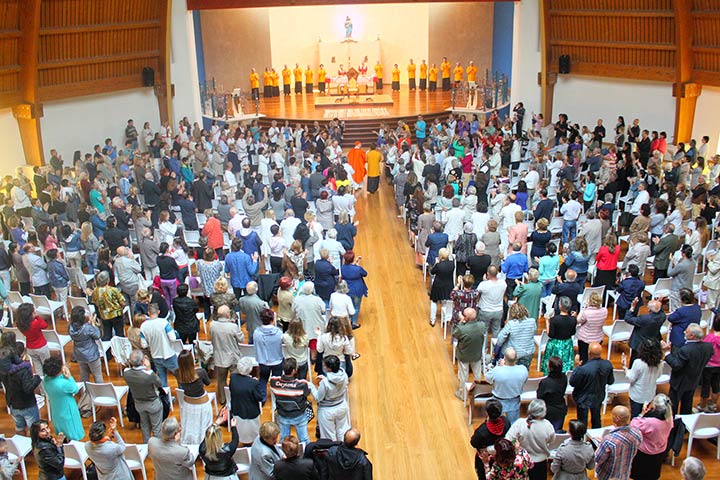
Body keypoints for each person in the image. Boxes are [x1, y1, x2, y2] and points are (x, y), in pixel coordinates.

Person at [665, 323, 713, 414]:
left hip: (679, 382)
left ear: (692, 336)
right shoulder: (708, 347)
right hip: (694, 380)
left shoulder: (685, 350)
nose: (684, 332)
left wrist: (667, 353)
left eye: (686, 332)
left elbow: (676, 365)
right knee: (687, 404)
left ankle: (672, 421)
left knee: (673, 405)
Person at [270, 358, 317, 444]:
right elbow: (307, 394)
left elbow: (274, 378)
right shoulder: (302, 384)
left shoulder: (273, 382)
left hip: (282, 415)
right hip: (299, 416)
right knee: (304, 439)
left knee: (283, 439)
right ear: (294, 370)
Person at [506, 399, 555, 480]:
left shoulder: (520, 423)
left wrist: (517, 447)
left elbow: (508, 439)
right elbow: (552, 440)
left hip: (523, 461)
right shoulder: (547, 425)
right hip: (541, 462)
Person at [629, 394, 673, 480]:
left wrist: (642, 414)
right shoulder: (669, 418)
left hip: (645, 453)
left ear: (654, 406)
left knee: (640, 475)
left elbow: (633, 424)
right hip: (660, 450)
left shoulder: (650, 422)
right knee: (653, 474)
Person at [570, 342, 614, 429]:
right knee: (597, 419)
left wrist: (577, 367)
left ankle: (582, 436)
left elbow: (572, 382)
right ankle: (596, 436)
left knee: (582, 422)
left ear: (589, 352)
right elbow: (610, 381)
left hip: (583, 398)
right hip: (599, 396)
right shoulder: (607, 365)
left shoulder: (583, 369)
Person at [123, 349, 163, 442]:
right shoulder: (149, 374)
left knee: (144, 426)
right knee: (157, 428)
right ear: (142, 361)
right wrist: (149, 369)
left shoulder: (126, 373)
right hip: (153, 403)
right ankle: (157, 447)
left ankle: (146, 446)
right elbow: (159, 384)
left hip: (139, 404)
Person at [594, 406, 642, 480]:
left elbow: (598, 458)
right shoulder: (637, 433)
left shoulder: (609, 440)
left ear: (617, 418)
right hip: (625, 473)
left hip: (608, 475)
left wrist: (602, 444)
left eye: (612, 415)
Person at [210, 305, 245, 406]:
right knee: (235, 379)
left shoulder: (212, 325)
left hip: (219, 357)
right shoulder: (233, 327)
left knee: (221, 380)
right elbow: (241, 339)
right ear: (227, 314)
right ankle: (235, 397)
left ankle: (223, 399)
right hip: (233, 357)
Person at [42, 356, 84, 440]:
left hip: (56, 411)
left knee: (61, 433)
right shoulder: (63, 384)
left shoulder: (46, 380)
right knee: (73, 433)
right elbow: (75, 389)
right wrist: (69, 377)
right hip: (68, 411)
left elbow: (56, 378)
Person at [176, 350, 213, 444]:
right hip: (202, 404)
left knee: (190, 426)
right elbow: (208, 383)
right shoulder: (200, 372)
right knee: (203, 426)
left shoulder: (177, 373)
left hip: (187, 404)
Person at [470, 398, 511, 480]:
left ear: (486, 412)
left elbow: (473, 442)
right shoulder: (506, 422)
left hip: (486, 458)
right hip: (502, 456)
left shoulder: (482, 431)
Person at [485, 347, 528, 425]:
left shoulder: (497, 370)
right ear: (516, 358)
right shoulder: (523, 370)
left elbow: (487, 378)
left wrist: (500, 367)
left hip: (498, 400)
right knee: (513, 423)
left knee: (496, 423)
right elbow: (524, 381)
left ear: (504, 358)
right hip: (515, 399)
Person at [229, 356, 265, 444]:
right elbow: (260, 397)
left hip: (237, 409)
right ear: (250, 369)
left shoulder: (233, 378)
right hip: (251, 412)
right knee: (253, 433)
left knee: (241, 431)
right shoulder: (253, 383)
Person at [140, 302, 178, 387]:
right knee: (179, 376)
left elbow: (144, 345)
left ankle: (165, 394)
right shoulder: (164, 323)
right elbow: (173, 338)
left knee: (161, 379)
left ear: (148, 313)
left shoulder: (143, 326)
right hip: (169, 354)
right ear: (158, 312)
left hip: (155, 356)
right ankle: (181, 392)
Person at [453, 307, 486, 399]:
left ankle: (463, 394)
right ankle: (477, 393)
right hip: (477, 355)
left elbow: (454, 333)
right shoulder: (482, 325)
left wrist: (461, 322)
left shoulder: (461, 329)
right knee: (477, 375)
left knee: (463, 375)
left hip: (464, 355)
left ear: (466, 318)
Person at [316, 354, 351, 441]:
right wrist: (325, 379)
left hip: (327, 411)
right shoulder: (344, 375)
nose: (323, 367)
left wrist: (311, 386)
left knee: (329, 437)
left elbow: (318, 398)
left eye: (324, 365)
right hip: (342, 406)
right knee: (342, 432)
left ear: (329, 369)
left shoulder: (324, 383)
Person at [494, 303, 536, 370]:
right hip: (527, 353)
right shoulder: (532, 321)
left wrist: (496, 349)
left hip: (512, 354)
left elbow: (500, 338)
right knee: (524, 372)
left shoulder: (511, 324)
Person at [624, 298, 665, 366]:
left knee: (634, 362)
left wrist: (632, 307)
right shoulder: (662, 316)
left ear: (649, 310)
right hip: (652, 341)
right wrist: (658, 302)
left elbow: (628, 318)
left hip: (639, 344)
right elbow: (660, 310)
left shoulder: (644, 319)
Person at [68, 306, 104, 382]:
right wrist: (93, 325)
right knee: (97, 376)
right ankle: (100, 389)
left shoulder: (70, 327)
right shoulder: (87, 328)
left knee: (84, 375)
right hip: (91, 355)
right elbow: (98, 335)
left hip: (79, 354)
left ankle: (85, 389)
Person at [542, 297, 576, 374]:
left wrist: (547, 321)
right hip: (567, 344)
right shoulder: (573, 319)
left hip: (556, 344)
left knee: (554, 364)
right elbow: (573, 332)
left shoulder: (554, 320)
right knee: (565, 363)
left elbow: (550, 334)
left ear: (560, 306)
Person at [89, 270, 126, 341]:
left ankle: (107, 347)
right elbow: (123, 303)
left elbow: (95, 303)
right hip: (116, 315)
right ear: (108, 280)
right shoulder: (114, 290)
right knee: (120, 334)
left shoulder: (95, 291)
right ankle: (121, 347)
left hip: (104, 316)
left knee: (107, 334)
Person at [200, 416, 240, 480]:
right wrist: (233, 426)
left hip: (210, 477)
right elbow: (235, 440)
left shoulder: (202, 449)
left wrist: (215, 424)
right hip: (227, 477)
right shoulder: (227, 450)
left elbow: (208, 436)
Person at [15, 302, 50, 376]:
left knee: (38, 368)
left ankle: (40, 381)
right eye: (33, 312)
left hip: (30, 348)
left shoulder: (19, 324)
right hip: (41, 347)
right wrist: (37, 317)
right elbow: (45, 325)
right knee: (47, 366)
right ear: (29, 315)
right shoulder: (35, 323)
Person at [255, 308, 283, 391]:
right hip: (277, 360)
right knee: (277, 382)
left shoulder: (256, 333)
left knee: (263, 380)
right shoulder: (279, 332)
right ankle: (276, 396)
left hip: (263, 361)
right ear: (272, 319)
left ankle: (262, 397)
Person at [537, 356, 568, 432]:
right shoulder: (564, 377)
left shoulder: (545, 382)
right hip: (561, 409)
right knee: (557, 431)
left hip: (549, 411)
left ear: (550, 368)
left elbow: (539, 396)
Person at [575, 293, 608, 364]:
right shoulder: (605, 311)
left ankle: (584, 367)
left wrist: (584, 308)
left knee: (583, 357)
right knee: (595, 357)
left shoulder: (586, 312)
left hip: (585, 338)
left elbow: (578, 320)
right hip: (598, 337)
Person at [699, 314, 720, 412]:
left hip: (708, 366)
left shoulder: (710, 338)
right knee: (716, 384)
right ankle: (713, 404)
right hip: (719, 366)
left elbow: (703, 349)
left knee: (705, 386)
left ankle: (702, 406)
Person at [477, 266, 506, 337]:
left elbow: (477, 294)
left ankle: (484, 344)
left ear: (487, 273)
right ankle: (495, 344)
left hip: (485, 310)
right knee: (496, 330)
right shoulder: (503, 283)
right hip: (498, 310)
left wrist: (485, 281)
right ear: (497, 273)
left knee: (484, 330)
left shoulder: (483, 284)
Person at [429, 248, 454, 327]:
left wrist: (436, 263)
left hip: (438, 286)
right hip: (448, 286)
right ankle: (444, 320)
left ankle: (432, 320)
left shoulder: (438, 265)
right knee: (445, 302)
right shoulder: (452, 264)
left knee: (434, 302)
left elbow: (432, 272)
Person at [668, 245, 696, 312]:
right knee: (685, 309)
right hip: (688, 289)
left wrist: (671, 261)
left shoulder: (682, 265)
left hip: (678, 290)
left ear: (683, 254)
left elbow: (669, 273)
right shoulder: (693, 262)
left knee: (676, 310)